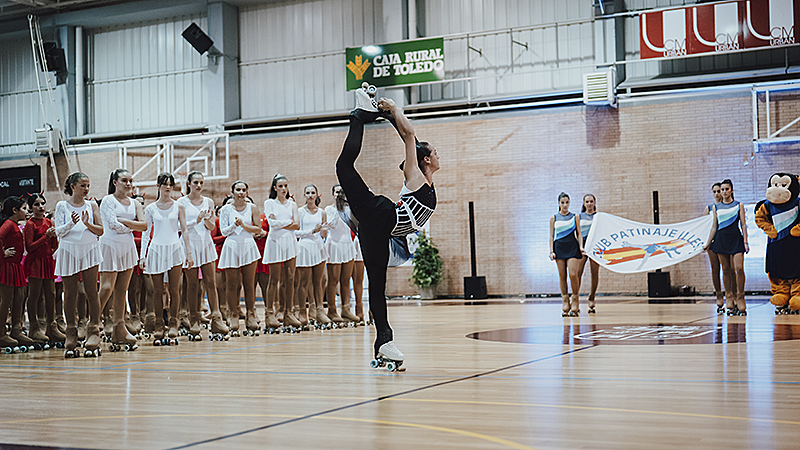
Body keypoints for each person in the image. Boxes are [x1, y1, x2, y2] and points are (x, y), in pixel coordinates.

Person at [335, 83, 439, 368]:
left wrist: (388, 115)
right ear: (426, 159)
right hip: (381, 215)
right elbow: (409, 134)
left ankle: (384, 342)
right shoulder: (414, 174)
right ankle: (358, 113)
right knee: (344, 167)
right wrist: (394, 111)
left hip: (380, 231)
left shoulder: (426, 182)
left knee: (377, 286)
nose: (438, 155)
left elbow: (408, 133)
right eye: (435, 152)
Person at [54, 172, 104, 357]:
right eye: (83, 185)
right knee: (70, 293)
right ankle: (71, 332)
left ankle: (93, 330)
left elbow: (101, 230)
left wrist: (87, 224)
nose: (86, 189)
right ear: (73, 186)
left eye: (88, 185)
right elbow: (59, 231)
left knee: (92, 292)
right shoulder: (62, 205)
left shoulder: (92, 205)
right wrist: (71, 223)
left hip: (89, 248)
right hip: (68, 250)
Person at [140, 173, 193, 344]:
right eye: (164, 184)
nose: (168, 187)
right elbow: (146, 233)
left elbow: (184, 230)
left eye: (170, 184)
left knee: (174, 289)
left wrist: (189, 252)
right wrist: (143, 256)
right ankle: (158, 324)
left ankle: (173, 324)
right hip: (156, 250)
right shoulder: (150, 208)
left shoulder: (179, 206)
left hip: (174, 248)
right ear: (158, 185)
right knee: (156, 290)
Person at [98, 169, 147, 351]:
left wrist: (125, 223)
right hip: (110, 245)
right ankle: (93, 326)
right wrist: (132, 225)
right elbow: (112, 225)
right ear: (114, 182)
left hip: (127, 247)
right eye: (124, 180)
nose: (128, 183)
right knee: (106, 288)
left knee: (122, 290)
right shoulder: (108, 201)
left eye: (130, 180)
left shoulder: (136, 203)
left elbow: (144, 225)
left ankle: (120, 328)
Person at [178, 171, 229, 339]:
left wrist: (206, 219)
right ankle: (194, 320)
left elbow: (210, 227)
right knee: (192, 285)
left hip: (206, 243)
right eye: (196, 182)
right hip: (189, 244)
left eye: (201, 182)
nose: (199, 185)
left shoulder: (208, 201)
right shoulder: (181, 202)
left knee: (210, 283)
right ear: (189, 184)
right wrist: (197, 219)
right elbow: (181, 228)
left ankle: (216, 318)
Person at [218, 181, 262, 337]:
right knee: (232, 284)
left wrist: (243, 225)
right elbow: (223, 231)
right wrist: (234, 226)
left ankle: (250, 315)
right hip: (231, 246)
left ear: (247, 193)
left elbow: (258, 228)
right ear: (232, 192)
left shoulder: (252, 208)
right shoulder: (225, 209)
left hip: (248, 245)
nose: (241, 192)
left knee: (249, 284)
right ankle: (233, 315)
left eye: (244, 190)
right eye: (238, 189)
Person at [23, 193, 64, 347]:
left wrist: (53, 237)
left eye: (43, 204)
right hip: (35, 262)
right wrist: (46, 237)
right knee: (35, 295)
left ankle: (51, 327)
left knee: (51, 294)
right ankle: (34, 327)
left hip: (47, 261)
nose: (41, 207)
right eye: (37, 204)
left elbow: (54, 245)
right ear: (31, 207)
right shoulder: (30, 224)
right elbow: (30, 247)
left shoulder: (48, 221)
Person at [263, 175, 302, 332]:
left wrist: (281, 224)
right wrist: (288, 223)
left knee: (290, 278)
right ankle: (269, 313)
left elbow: (298, 225)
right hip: (275, 242)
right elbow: (272, 224)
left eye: (285, 185)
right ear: (275, 188)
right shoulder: (269, 203)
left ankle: (288, 313)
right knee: (274, 279)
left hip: (290, 242)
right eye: (280, 186)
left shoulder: (292, 204)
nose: (284, 189)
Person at [710, 179, 749, 316]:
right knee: (726, 270)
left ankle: (740, 296)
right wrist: (708, 242)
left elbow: (743, 225)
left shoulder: (739, 205)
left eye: (727, 189)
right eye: (722, 190)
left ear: (732, 190)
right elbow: (714, 226)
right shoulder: (716, 207)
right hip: (721, 240)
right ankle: (729, 297)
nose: (724, 192)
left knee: (738, 268)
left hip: (736, 240)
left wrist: (745, 242)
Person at [295, 184, 330, 330]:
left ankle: (319, 311)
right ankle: (302, 312)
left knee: (319, 281)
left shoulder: (321, 212)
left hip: (318, 247)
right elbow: (296, 233)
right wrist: (312, 230)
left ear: (317, 195)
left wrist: (324, 230)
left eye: (312, 192)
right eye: (308, 192)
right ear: (304, 195)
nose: (310, 195)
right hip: (304, 246)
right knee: (303, 282)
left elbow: (322, 234)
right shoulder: (299, 212)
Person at [0, 197, 33, 353]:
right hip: (7, 266)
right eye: (24, 208)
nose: (27, 212)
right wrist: (2, 253)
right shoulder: (8, 224)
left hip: (16, 267)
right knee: (5, 301)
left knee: (19, 299)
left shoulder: (15, 225)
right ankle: (1, 333)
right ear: (14, 210)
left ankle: (16, 330)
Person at [324, 184, 358, 327]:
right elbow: (330, 225)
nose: (339, 194)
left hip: (347, 244)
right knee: (333, 280)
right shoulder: (329, 209)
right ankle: (332, 310)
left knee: (346, 279)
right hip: (334, 244)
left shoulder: (349, 209)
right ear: (333, 194)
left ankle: (346, 309)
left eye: (341, 192)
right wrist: (338, 209)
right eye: (336, 192)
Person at [549, 192, 583, 317]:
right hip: (559, 247)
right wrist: (551, 251)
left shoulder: (575, 217)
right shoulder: (554, 218)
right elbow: (552, 235)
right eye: (562, 202)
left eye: (567, 202)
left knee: (573, 274)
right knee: (562, 276)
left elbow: (579, 234)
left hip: (572, 246)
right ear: (559, 203)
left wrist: (581, 246)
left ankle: (575, 298)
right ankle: (565, 300)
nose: (564, 205)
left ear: (569, 203)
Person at [704, 183, 726, 312]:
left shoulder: (727, 207)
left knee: (727, 268)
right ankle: (718, 294)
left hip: (724, 240)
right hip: (713, 241)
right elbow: (705, 227)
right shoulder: (709, 208)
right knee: (715, 268)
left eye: (719, 191)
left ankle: (730, 295)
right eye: (715, 191)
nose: (717, 193)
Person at [576, 194, 598, 315]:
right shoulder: (579, 217)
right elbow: (577, 233)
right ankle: (576, 299)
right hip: (583, 247)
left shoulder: (598, 217)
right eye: (587, 201)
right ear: (584, 203)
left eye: (591, 201)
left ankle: (592, 297)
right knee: (578, 273)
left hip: (595, 247)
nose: (589, 203)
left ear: (594, 202)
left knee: (594, 273)